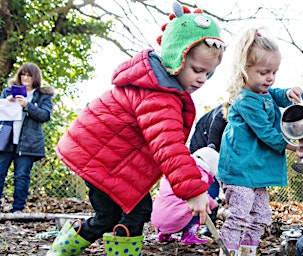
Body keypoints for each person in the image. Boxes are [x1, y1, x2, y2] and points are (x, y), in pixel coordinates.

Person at [46, 2, 226, 255]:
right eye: (197, 70)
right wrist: (194, 191)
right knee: (132, 211)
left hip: (106, 159)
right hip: (100, 160)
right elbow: (168, 146)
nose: (202, 79)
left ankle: (63, 249)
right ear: (176, 58)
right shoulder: (159, 96)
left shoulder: (158, 87)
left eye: (208, 74)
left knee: (111, 215)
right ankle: (61, 251)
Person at [216, 27, 303, 256]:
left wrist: (287, 93)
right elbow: (265, 132)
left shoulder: (263, 93)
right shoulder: (246, 100)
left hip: (255, 171)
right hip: (240, 168)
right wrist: (291, 144)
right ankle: (229, 251)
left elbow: (274, 94)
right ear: (245, 70)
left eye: (274, 72)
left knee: (261, 215)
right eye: (264, 72)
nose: (270, 78)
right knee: (240, 213)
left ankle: (248, 250)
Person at [0, 63, 54, 213]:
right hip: (6, 140)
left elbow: (45, 115)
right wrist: (7, 103)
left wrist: (27, 105)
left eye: (29, 75)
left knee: (22, 176)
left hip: (28, 143)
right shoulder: (8, 92)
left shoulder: (42, 95)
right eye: (23, 74)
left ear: (35, 77)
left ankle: (18, 209)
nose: (25, 78)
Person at [151, 147, 219, 244]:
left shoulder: (176, 169)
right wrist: (214, 204)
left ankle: (164, 235)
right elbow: (200, 197)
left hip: (158, 219)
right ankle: (188, 235)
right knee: (200, 208)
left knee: (175, 203)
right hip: (174, 222)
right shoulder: (200, 174)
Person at [189, 102, 231, 236]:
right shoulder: (220, 115)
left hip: (219, 150)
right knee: (208, 184)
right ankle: (204, 225)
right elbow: (211, 146)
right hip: (202, 147)